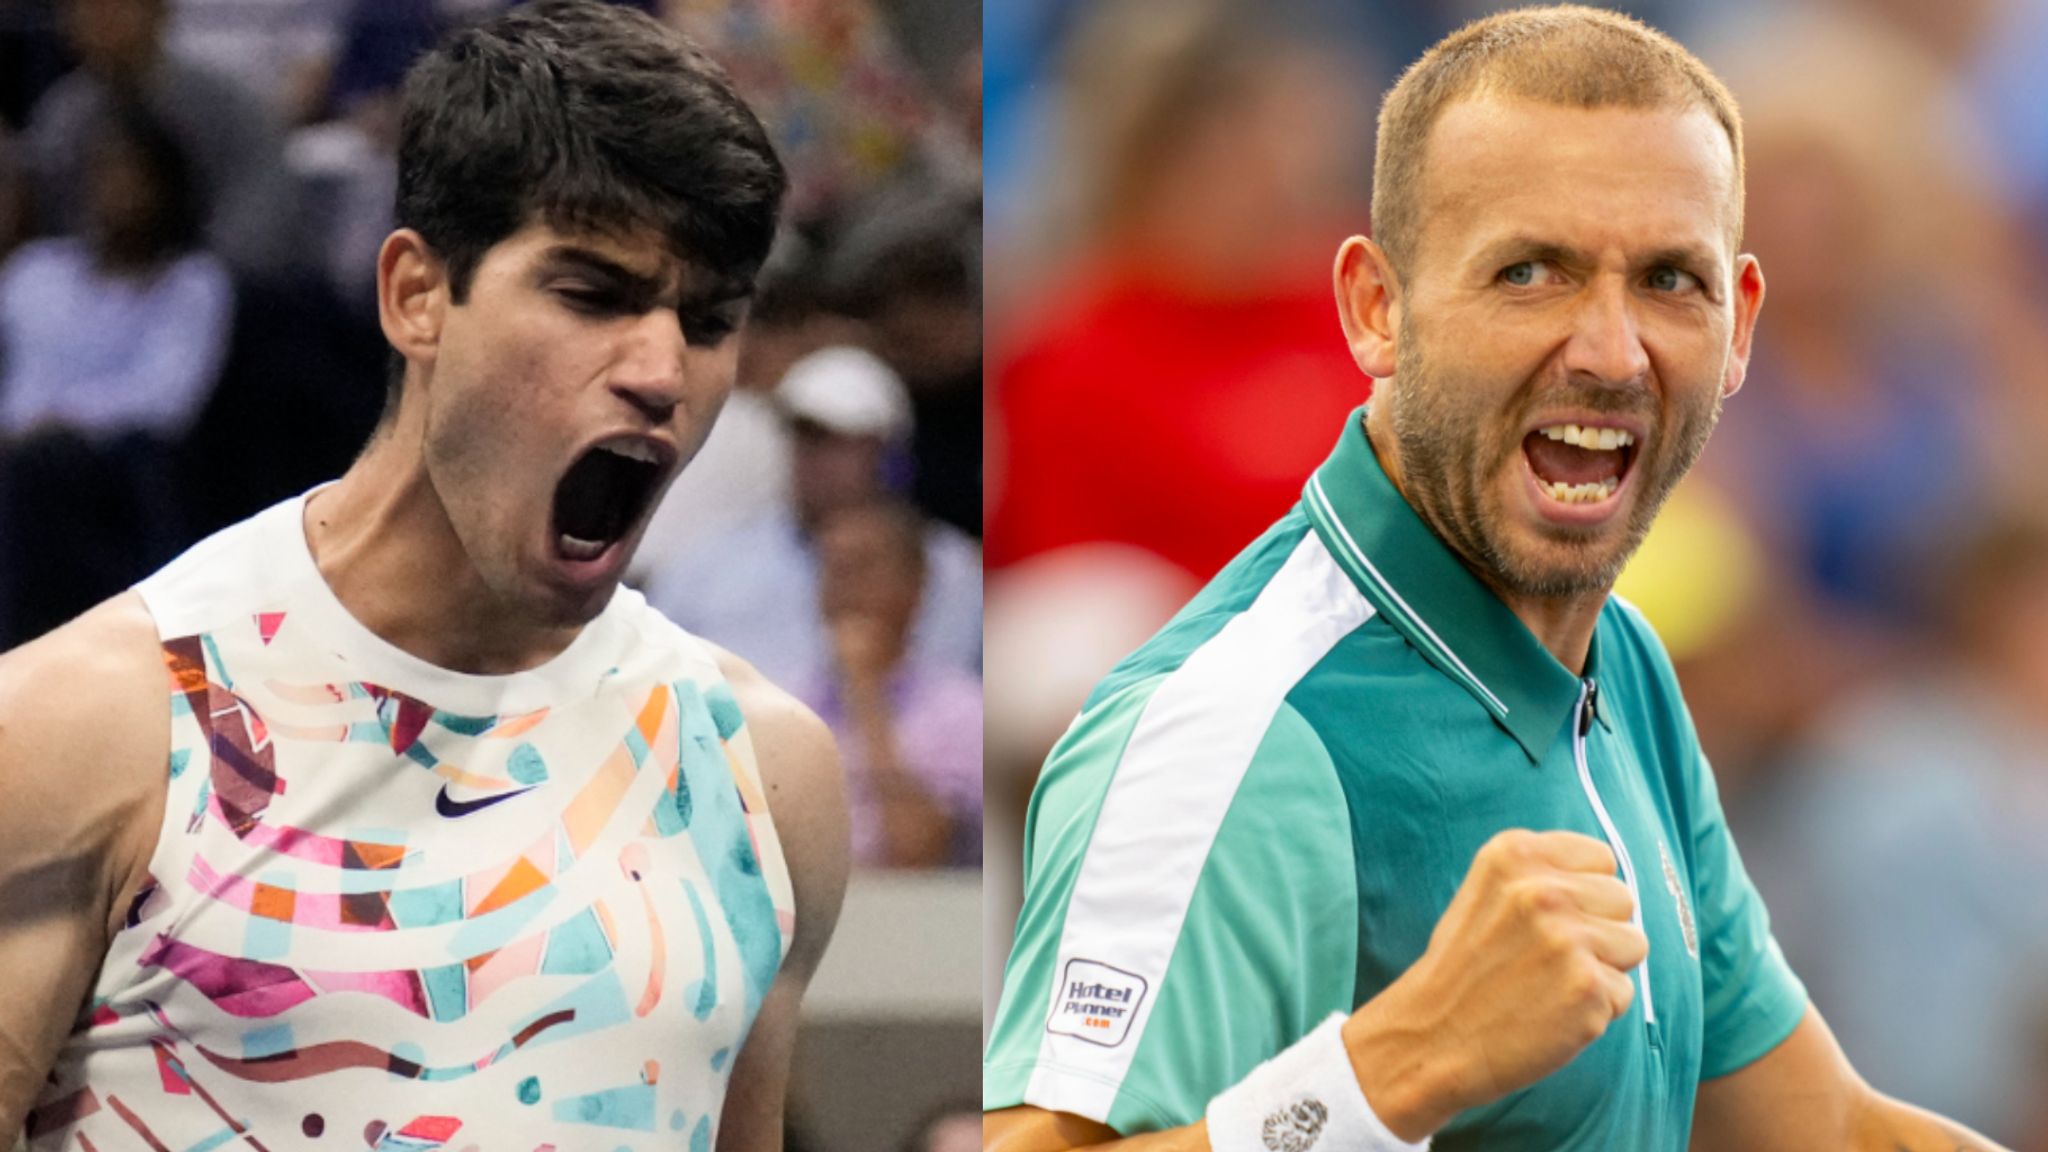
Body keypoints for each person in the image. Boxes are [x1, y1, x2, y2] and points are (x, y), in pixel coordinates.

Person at [983, 7, 2008, 1152]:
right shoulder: (1230, 731)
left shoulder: (1619, 663)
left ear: (1738, 328)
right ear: (1376, 308)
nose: (1612, 352)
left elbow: (1830, 1132)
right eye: (1529, 272)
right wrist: (1395, 1069)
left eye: (1671, 280)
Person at [0, 4, 848, 1149]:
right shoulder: (90, 722)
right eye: (591, 294)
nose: (659, 371)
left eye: (707, 320)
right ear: (414, 296)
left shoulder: (766, 778)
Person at [804, 501, 983, 869]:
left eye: (863, 567)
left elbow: (917, 850)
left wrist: (865, 693)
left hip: (924, 917)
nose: (845, 586)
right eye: (833, 568)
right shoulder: (788, 702)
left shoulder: (964, 712)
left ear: (916, 583)